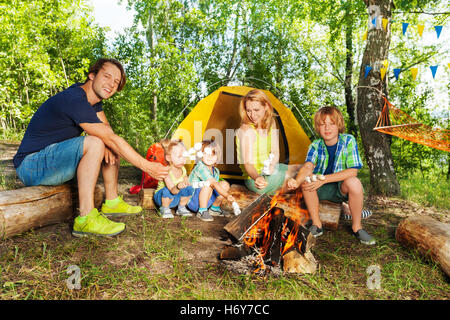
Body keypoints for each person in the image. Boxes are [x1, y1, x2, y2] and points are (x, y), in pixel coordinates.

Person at [13, 58, 169, 237]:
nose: (111, 84)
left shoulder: (93, 102)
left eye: (116, 82)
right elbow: (108, 137)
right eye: (107, 76)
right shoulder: (74, 99)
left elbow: (108, 131)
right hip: (30, 165)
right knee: (97, 142)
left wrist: (110, 145)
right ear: (92, 75)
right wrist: (147, 166)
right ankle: (85, 218)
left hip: (51, 161)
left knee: (110, 144)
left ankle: (111, 202)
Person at [287, 106, 375, 245]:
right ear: (318, 127)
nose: (327, 128)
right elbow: (308, 166)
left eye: (331, 124)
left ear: (338, 125)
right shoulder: (315, 145)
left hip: (342, 188)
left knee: (354, 182)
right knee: (307, 182)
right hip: (322, 189)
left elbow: (353, 171)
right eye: (323, 124)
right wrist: (297, 181)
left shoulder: (348, 140)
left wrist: (325, 179)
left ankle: (357, 227)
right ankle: (317, 225)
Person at [236, 89, 300, 195]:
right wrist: (257, 178)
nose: (252, 115)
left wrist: (272, 165)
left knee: (305, 167)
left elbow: (275, 151)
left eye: (256, 110)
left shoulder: (271, 122)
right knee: (300, 178)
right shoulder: (246, 130)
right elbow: (248, 164)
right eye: (248, 110)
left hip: (271, 170)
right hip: (254, 178)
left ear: (266, 106)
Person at [187, 140, 235, 222]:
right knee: (208, 184)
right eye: (206, 154)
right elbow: (213, 183)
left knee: (224, 184)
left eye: (213, 154)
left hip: (205, 199)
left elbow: (216, 186)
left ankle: (214, 209)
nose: (209, 157)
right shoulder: (200, 167)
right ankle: (202, 211)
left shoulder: (215, 170)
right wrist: (226, 195)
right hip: (193, 201)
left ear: (217, 157)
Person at [153, 139, 194, 219]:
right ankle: (164, 209)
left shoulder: (183, 169)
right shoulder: (166, 171)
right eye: (179, 156)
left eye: (184, 157)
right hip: (162, 198)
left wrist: (186, 181)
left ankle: (181, 207)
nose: (183, 159)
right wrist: (178, 186)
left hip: (175, 198)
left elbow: (185, 178)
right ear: (168, 158)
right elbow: (172, 190)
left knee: (189, 189)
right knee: (166, 190)